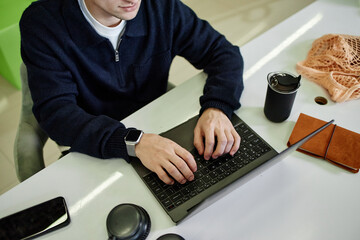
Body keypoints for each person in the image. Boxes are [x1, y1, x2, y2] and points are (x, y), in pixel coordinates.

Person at [19, 0, 244, 185]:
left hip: (159, 129)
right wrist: (134, 142)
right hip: (95, 144)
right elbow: (58, 116)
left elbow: (223, 53)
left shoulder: (161, 8)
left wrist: (217, 107)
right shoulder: (42, 24)